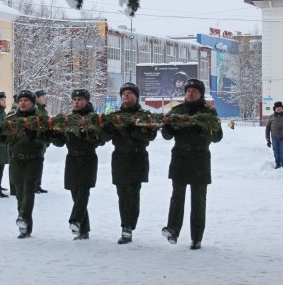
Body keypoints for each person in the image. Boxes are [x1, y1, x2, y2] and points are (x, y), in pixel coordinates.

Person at [161, 78, 223, 250]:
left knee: (198, 200)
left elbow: (217, 137)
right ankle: (172, 230)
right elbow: (166, 135)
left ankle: (197, 237)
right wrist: (167, 128)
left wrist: (202, 131)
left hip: (199, 158)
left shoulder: (209, 112)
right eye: (188, 91)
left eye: (194, 91)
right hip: (180, 157)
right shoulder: (177, 110)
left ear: (201, 94)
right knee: (177, 196)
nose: (190, 93)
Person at [103, 83, 157, 245]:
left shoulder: (145, 115)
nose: (126, 95)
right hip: (119, 157)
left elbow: (151, 136)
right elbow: (104, 137)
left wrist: (132, 128)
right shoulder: (114, 116)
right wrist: (111, 128)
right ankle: (125, 226)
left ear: (136, 96)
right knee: (122, 193)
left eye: (129, 93)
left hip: (138, 157)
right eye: (124, 93)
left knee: (133, 192)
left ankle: (130, 224)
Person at [0, 90, 49, 239]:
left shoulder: (40, 118)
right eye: (21, 100)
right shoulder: (11, 118)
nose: (23, 103)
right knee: (19, 193)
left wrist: (36, 137)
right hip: (16, 159)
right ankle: (24, 227)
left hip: (34, 159)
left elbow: (48, 138)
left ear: (32, 103)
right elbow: (2, 139)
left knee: (29, 189)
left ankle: (23, 218)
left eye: (26, 100)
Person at [51, 89, 104, 240]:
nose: (77, 102)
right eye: (74, 99)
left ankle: (75, 220)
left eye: (80, 99)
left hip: (88, 159)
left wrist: (84, 133)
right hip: (72, 159)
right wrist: (53, 134)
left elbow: (99, 139)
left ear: (87, 101)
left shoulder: (94, 118)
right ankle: (84, 230)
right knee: (75, 193)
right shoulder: (67, 119)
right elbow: (60, 142)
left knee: (83, 191)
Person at [265, 101, 283, 169]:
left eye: (280, 107)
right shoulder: (271, 117)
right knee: (276, 151)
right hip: (274, 138)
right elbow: (267, 128)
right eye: (277, 108)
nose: (279, 109)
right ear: (274, 108)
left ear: (282, 108)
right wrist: (268, 139)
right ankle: (277, 163)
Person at [34, 89, 49, 194]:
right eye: (43, 97)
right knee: (34, 164)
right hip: (36, 142)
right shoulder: (35, 110)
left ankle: (38, 184)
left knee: (39, 164)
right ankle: (34, 185)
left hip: (42, 142)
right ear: (37, 98)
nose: (45, 98)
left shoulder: (44, 110)